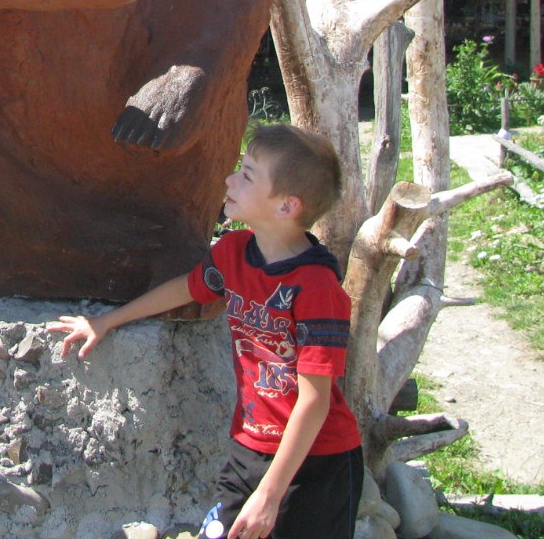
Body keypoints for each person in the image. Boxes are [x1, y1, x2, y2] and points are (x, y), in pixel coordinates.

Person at [48, 124, 363, 539]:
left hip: (315, 465)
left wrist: (270, 495)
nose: (229, 180)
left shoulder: (318, 288)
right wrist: (108, 321)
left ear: (287, 206)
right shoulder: (233, 252)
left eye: (247, 175)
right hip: (248, 448)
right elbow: (188, 288)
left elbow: (315, 400)